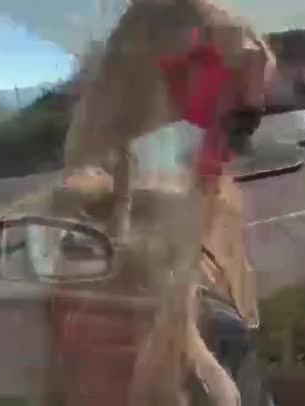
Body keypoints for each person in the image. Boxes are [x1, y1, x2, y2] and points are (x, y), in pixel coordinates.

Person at [51, 0, 277, 405]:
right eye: (190, 122)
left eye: (246, 125)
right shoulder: (96, 268)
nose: (226, 152)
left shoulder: (216, 207)